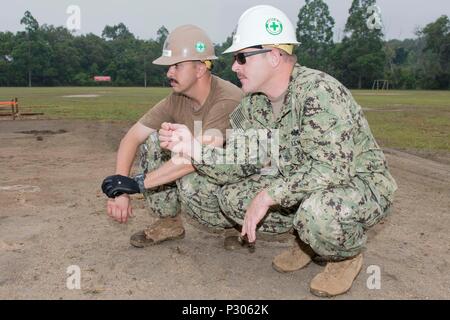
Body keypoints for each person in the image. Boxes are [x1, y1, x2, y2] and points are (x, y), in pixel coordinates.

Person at [158, 5, 397, 297]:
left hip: (359, 184)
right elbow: (237, 162)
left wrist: (268, 195)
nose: (234, 66)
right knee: (230, 197)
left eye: (242, 57)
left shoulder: (318, 92)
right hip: (303, 184)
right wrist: (194, 148)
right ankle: (305, 241)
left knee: (317, 213)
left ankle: (344, 256)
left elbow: (332, 169)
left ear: (273, 56)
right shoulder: (254, 104)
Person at [101, 24, 243, 248]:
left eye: (177, 66)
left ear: (200, 69)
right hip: (207, 172)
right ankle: (169, 222)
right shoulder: (177, 98)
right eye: (169, 67)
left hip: (237, 182)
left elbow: (194, 159)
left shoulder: (227, 100)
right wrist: (120, 189)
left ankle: (234, 225)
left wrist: (136, 184)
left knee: (191, 174)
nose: (169, 73)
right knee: (154, 140)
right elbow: (132, 137)